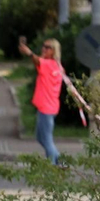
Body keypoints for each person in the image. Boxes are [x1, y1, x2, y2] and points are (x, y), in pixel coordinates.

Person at [17, 37, 65, 165]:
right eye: (43, 46)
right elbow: (38, 62)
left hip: (46, 108)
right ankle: (56, 159)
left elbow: (37, 61)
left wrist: (29, 53)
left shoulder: (48, 64)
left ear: (54, 51)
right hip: (50, 106)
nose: (43, 48)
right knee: (40, 137)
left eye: (47, 47)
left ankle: (55, 163)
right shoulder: (57, 66)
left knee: (47, 139)